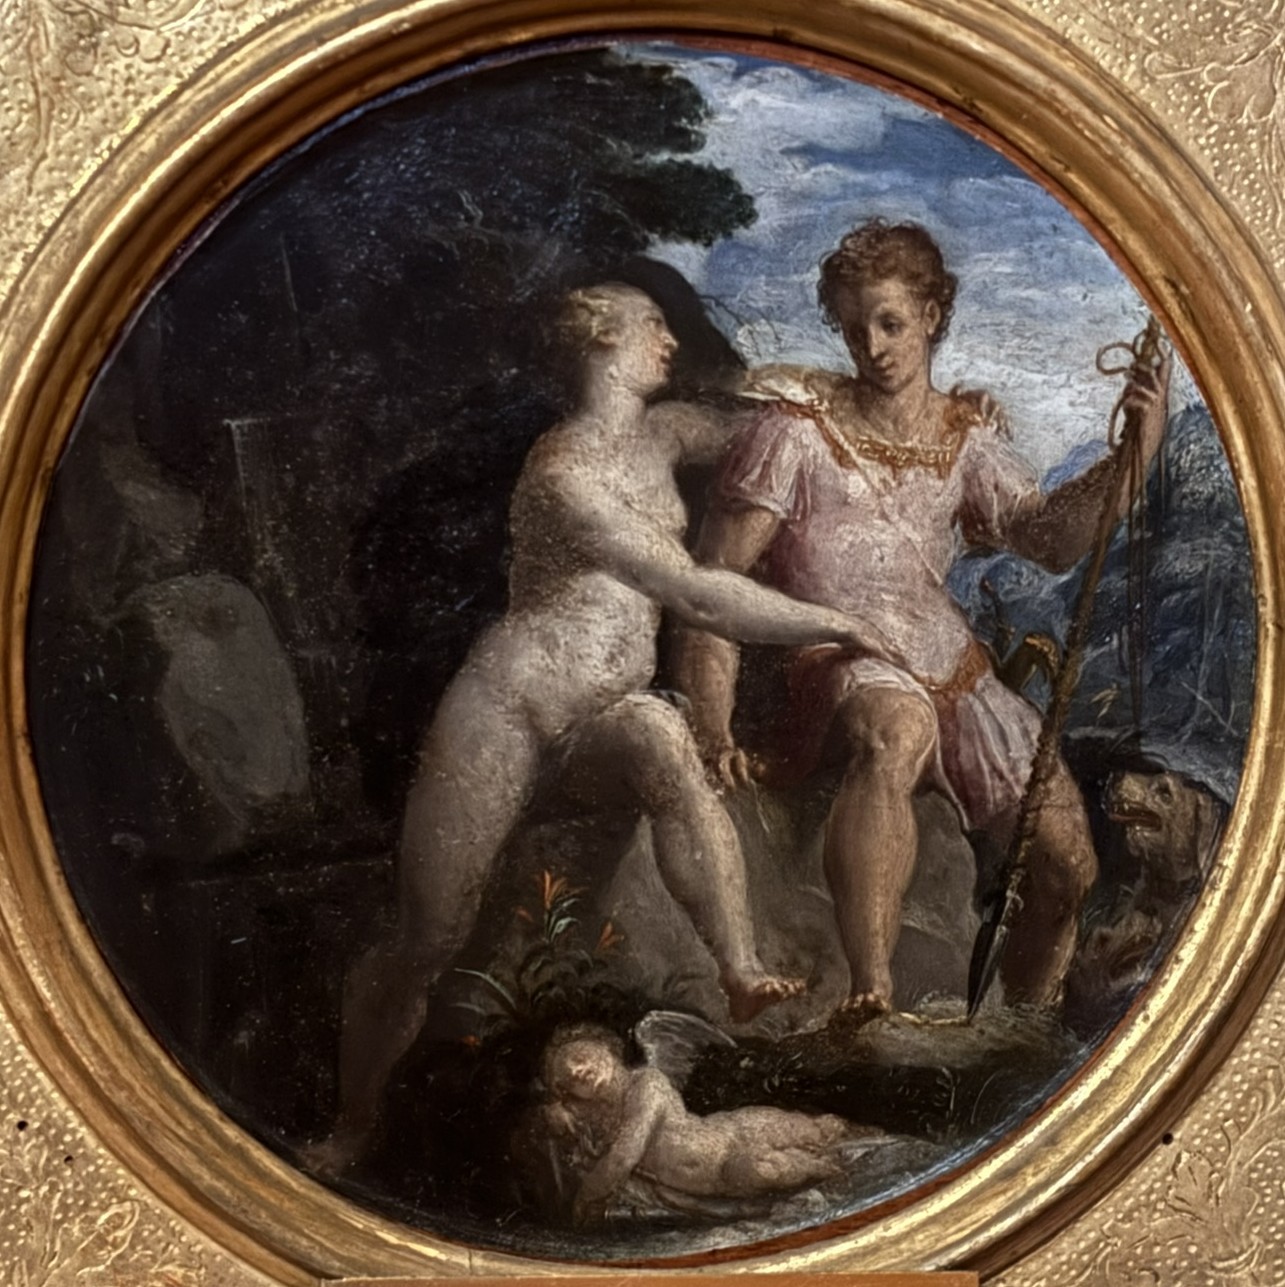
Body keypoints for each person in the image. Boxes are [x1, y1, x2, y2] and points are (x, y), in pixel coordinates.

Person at [310, 283, 890, 1172]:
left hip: (603, 713)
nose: (669, 338)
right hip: (507, 713)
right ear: (599, 340)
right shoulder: (563, 471)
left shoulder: (662, 434)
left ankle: (737, 967)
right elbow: (694, 594)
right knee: (427, 937)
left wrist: (841, 398)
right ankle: (353, 1124)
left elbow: (767, 429)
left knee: (661, 738)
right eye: (651, 324)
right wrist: (834, 622)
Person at [673, 219, 1171, 1024]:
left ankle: (1017, 1033)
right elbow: (711, 586)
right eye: (853, 329)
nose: (871, 346)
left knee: (1065, 864)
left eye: (890, 323)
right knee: (897, 728)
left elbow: (1046, 539)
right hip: (833, 657)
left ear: (932, 315)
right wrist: (710, 720)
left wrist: (1130, 455)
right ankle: (871, 989)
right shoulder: (794, 432)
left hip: (951, 667)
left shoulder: (962, 438)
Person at [541, 1028, 858, 1223]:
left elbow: (624, 1157)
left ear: (607, 1049)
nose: (577, 1070)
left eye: (580, 1056)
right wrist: (558, 1111)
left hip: (733, 1135)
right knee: (771, 1171)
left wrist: (587, 1196)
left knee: (825, 1131)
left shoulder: (646, 1084)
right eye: (569, 1077)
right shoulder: (598, 1119)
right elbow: (571, 1143)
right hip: (721, 1174)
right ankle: (829, 1168)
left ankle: (852, 1158)